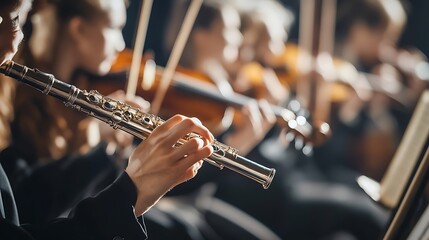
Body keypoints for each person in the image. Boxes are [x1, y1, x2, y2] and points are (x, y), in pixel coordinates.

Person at [0, 0, 215, 238]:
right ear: (79, 29)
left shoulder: (82, 92)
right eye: (114, 27)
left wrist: (116, 154)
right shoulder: (17, 97)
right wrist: (101, 148)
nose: (122, 44)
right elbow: (28, 205)